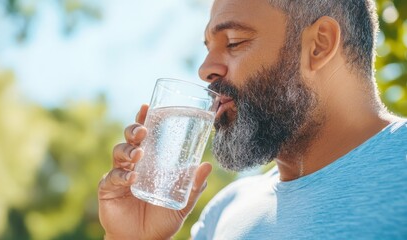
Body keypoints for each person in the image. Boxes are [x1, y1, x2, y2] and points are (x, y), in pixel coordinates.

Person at [98, 0, 407, 239]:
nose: (205, 69)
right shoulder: (227, 211)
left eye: (233, 42)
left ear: (319, 44)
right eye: (208, 48)